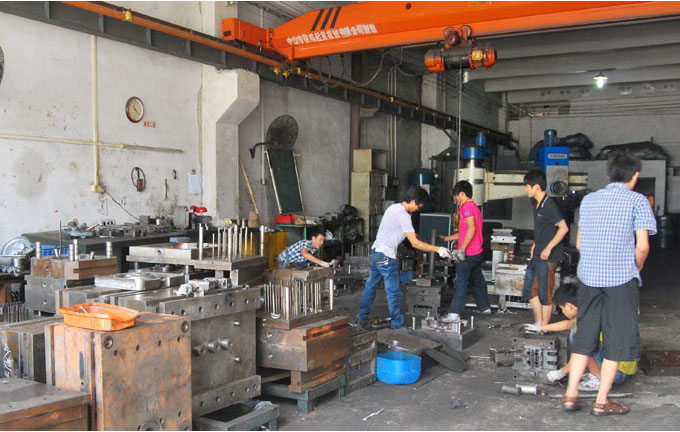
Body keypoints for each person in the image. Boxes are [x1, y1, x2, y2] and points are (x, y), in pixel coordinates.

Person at [562, 152, 656, 416]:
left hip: (589, 278)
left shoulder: (589, 200)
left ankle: (570, 395)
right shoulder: (637, 201)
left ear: (609, 174)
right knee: (616, 341)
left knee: (584, 336)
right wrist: (636, 267)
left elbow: (579, 244)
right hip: (620, 280)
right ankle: (601, 402)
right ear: (635, 176)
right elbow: (643, 246)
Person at [357, 186, 452, 331]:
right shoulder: (403, 215)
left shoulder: (393, 208)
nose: (418, 209)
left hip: (377, 252)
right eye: (419, 206)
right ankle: (397, 324)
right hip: (387, 255)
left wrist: (420, 240)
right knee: (393, 291)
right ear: (413, 201)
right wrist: (438, 249)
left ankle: (362, 318)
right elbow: (415, 243)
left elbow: (408, 235)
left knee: (371, 287)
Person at [542, 284, 638, 391]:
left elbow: (582, 353)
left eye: (561, 308)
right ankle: (598, 373)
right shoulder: (592, 309)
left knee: (579, 339)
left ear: (569, 306)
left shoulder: (586, 323)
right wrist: (541, 328)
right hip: (627, 366)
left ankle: (600, 379)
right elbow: (568, 324)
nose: (563, 312)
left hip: (616, 373)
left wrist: (561, 372)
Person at [522, 169, 569, 332]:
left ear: (536, 187)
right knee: (529, 290)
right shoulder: (537, 204)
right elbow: (544, 229)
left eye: (527, 187)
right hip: (538, 254)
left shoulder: (549, 205)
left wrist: (548, 248)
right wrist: (537, 243)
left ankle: (544, 327)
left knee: (544, 293)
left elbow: (563, 228)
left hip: (548, 256)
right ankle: (539, 324)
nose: (526, 190)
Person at [440, 180, 491, 322]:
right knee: (477, 280)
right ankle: (484, 307)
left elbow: (472, 229)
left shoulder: (466, 207)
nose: (456, 199)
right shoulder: (474, 207)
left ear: (462, 194)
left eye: (456, 196)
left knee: (461, 282)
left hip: (468, 253)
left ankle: (454, 314)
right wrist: (446, 238)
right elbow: (464, 232)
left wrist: (462, 249)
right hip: (477, 252)